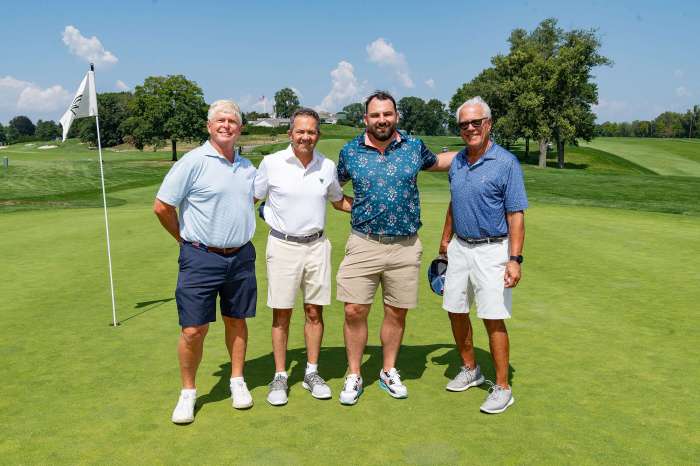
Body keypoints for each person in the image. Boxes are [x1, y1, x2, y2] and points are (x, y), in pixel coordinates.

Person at [335, 91, 456, 405]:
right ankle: (354, 373)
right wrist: (357, 208)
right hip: (363, 242)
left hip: (405, 246)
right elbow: (331, 189)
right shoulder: (350, 151)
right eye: (375, 115)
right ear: (366, 119)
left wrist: (476, 148)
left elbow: (440, 162)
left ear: (396, 116)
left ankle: (388, 369)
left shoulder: (413, 147)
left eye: (387, 114)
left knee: (396, 312)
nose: (381, 120)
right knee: (354, 310)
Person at [153, 99, 257, 424]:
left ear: (240, 128)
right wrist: (183, 240)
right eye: (220, 121)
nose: (227, 125)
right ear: (209, 126)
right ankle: (188, 392)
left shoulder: (247, 167)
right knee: (193, 330)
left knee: (237, 320)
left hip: (240, 256)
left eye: (233, 121)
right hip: (200, 257)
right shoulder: (193, 161)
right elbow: (162, 206)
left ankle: (237, 380)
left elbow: (255, 201)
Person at [253, 108, 352, 406]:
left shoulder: (327, 166)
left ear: (318, 135)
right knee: (281, 313)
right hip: (282, 246)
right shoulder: (271, 163)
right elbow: (251, 198)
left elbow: (338, 201)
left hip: (317, 246)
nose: (306, 137)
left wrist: (374, 209)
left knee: (314, 311)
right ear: (290, 134)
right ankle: (281, 376)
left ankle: (311, 372)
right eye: (301, 131)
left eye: (311, 132)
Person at [439, 96, 528, 414]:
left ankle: (503, 387)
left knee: (493, 318)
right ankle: (471, 369)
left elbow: (516, 214)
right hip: (460, 247)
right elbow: (455, 202)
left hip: (494, 249)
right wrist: (445, 240)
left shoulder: (506, 163)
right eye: (464, 124)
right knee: (455, 309)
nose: (470, 128)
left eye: (476, 122)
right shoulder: (459, 162)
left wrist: (515, 260)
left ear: (488, 124)